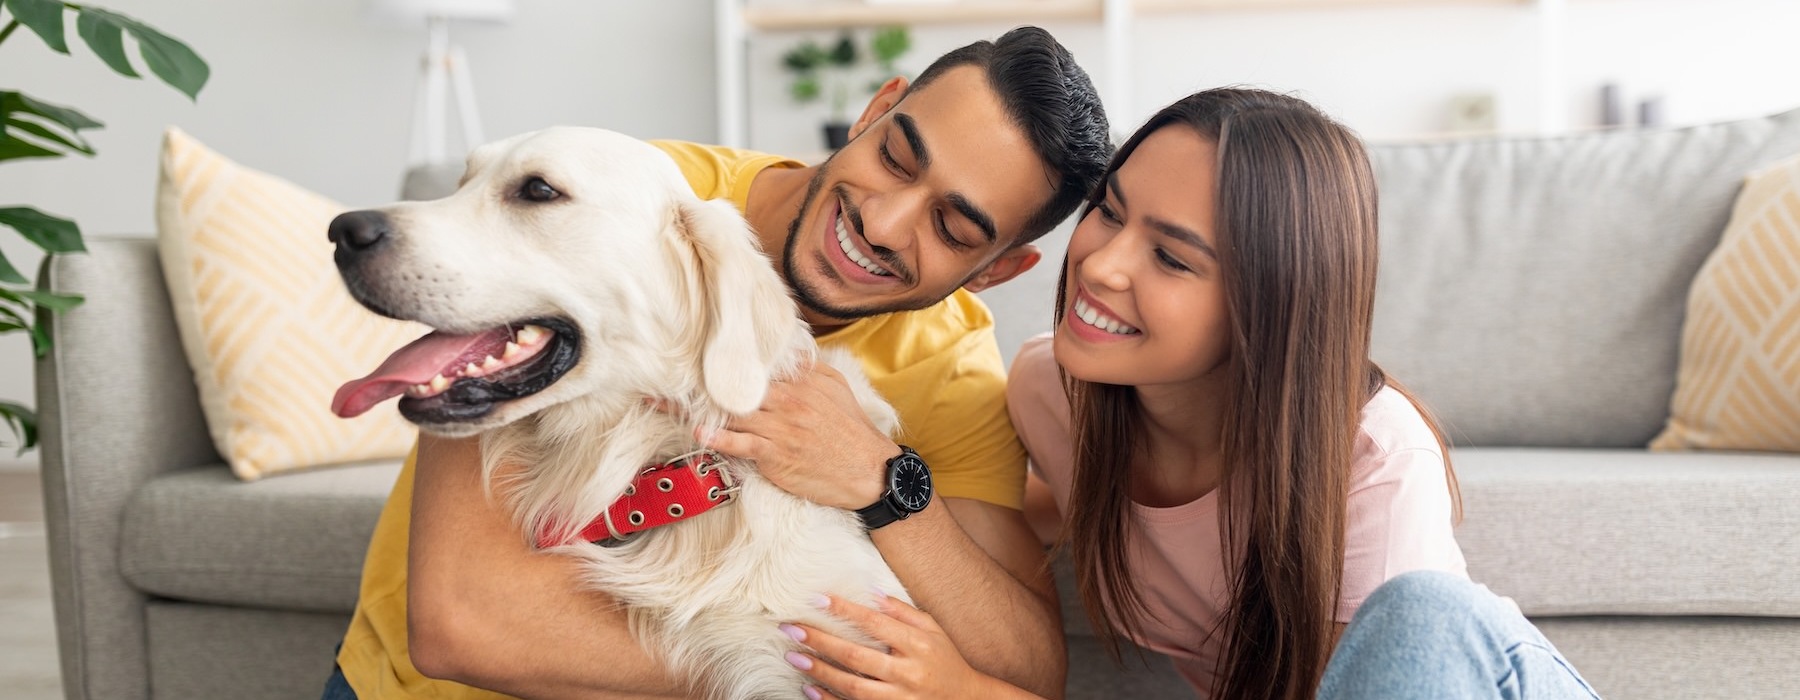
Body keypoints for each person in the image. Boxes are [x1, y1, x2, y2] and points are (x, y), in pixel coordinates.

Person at [320, 26, 1112, 700]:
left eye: (954, 228)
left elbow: (1022, 667)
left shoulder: (949, 360)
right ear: (875, 110)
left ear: (993, 273)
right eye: (898, 157)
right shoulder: (617, 196)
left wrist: (883, 478)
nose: (882, 219)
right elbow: (463, 626)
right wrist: (802, 675)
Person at [778, 89, 1601, 700]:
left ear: (1264, 306)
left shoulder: (1372, 460)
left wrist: (969, 692)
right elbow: (985, 529)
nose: (1099, 265)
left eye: (1171, 259)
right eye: (1108, 211)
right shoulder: (1054, 394)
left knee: (1422, 612)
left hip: (1460, 672)